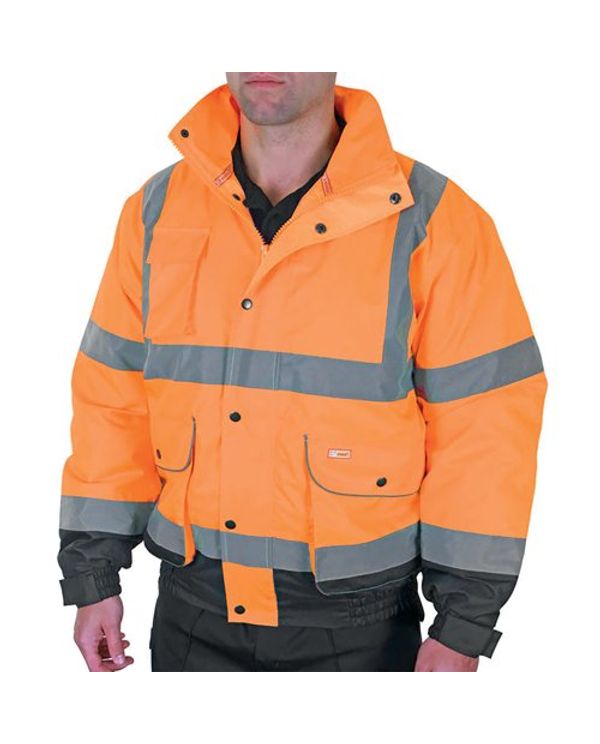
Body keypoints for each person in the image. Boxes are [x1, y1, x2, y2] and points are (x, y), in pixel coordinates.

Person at [57, 72, 547, 672]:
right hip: (191, 615)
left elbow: (485, 425)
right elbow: (113, 397)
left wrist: (463, 623)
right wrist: (94, 573)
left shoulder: (431, 218)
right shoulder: (157, 210)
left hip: (359, 632)